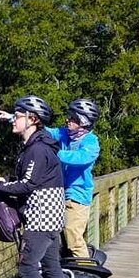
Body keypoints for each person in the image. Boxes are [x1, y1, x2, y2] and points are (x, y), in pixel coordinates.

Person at [0, 95, 67, 278]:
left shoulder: (37, 149)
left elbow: (27, 185)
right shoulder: (41, 145)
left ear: (32, 119)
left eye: (18, 115)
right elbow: (29, 180)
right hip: (52, 219)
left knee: (27, 267)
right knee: (52, 268)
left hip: (40, 220)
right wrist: (6, 181)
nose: (14, 119)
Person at [46, 98, 100, 258]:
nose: (68, 119)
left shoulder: (91, 142)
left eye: (73, 117)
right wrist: (14, 118)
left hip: (78, 197)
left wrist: (56, 153)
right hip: (60, 194)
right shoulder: (64, 134)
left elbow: (81, 158)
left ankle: (88, 275)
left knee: (73, 237)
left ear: (83, 121)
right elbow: (42, 131)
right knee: (60, 238)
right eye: (69, 115)